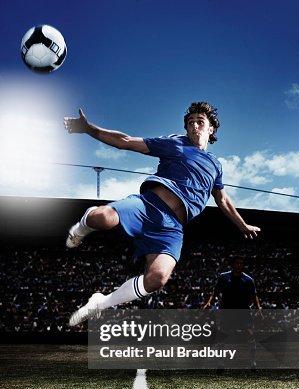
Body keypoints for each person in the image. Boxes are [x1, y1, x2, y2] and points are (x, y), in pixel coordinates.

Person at [64, 102, 261, 326]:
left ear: (211, 129)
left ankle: (100, 303)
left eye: (200, 122)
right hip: (149, 207)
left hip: (172, 228)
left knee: (158, 278)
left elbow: (222, 199)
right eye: (190, 123)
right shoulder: (176, 143)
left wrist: (242, 225)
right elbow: (126, 142)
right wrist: (88, 129)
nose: (194, 126)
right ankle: (80, 228)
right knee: (101, 218)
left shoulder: (216, 165)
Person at [204, 255, 261, 369]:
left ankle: (253, 362)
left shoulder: (248, 280)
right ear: (232, 264)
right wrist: (209, 302)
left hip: (243, 310)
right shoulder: (223, 277)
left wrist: (258, 307)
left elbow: (254, 295)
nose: (239, 265)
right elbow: (215, 292)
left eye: (241, 263)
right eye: (237, 263)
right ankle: (220, 363)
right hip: (227, 310)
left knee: (250, 334)